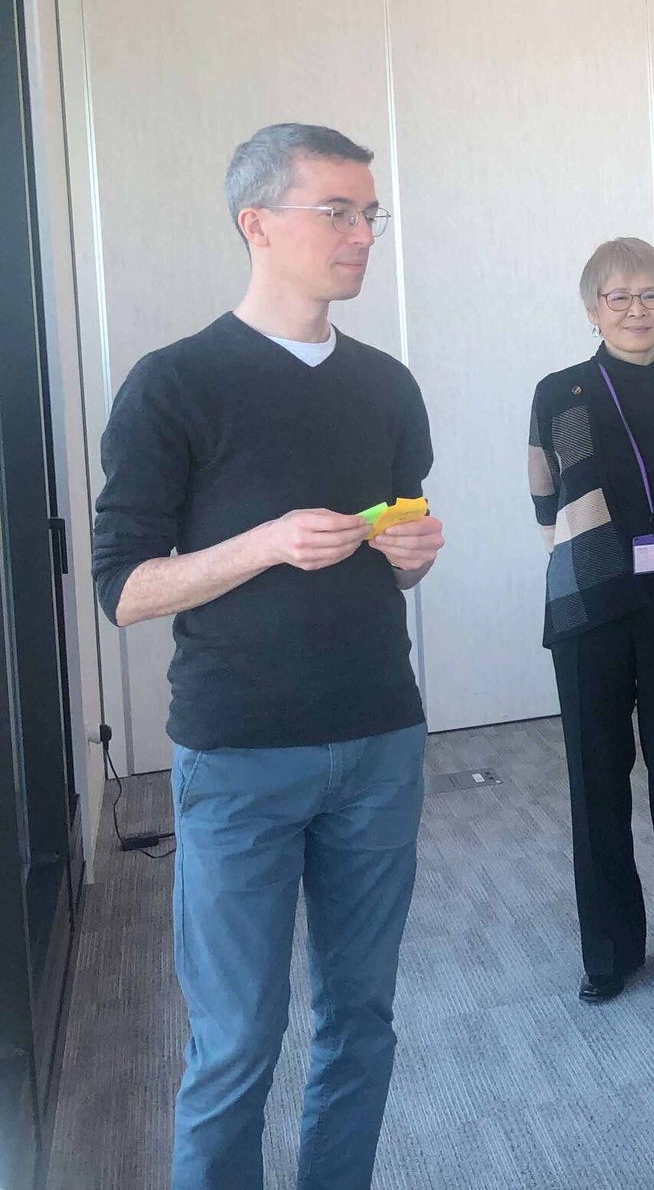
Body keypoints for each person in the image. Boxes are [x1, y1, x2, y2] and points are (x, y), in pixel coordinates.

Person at [91, 123, 445, 1190]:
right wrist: (264, 544)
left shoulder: (388, 386)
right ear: (257, 223)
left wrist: (413, 556)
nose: (362, 233)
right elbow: (123, 589)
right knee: (238, 1038)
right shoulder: (174, 385)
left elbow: (396, 562)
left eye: (370, 213)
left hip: (380, 741)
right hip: (240, 755)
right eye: (335, 211)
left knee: (362, 1018)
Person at [528, 237, 654, 1004]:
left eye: (652, 295)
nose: (637, 309)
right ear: (592, 308)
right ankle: (608, 953)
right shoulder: (560, 393)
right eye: (620, 297)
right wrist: (596, 555)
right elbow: (544, 496)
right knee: (597, 781)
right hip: (592, 608)